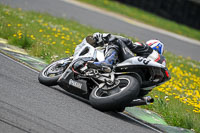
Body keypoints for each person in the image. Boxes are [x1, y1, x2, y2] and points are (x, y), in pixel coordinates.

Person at [86, 32, 166, 68]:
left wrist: (107, 37)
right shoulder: (162, 63)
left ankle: (107, 62)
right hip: (137, 86)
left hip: (134, 70)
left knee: (116, 41)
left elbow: (130, 44)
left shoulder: (147, 49)